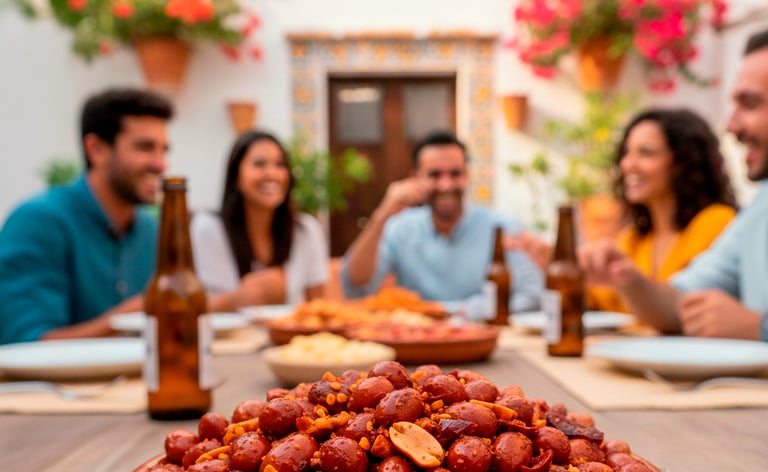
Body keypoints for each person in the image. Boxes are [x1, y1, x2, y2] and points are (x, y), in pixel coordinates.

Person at [579, 29, 768, 341]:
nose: (730, 125)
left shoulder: (715, 221)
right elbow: (679, 305)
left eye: (749, 104)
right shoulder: (760, 209)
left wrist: (757, 328)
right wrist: (628, 279)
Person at [0, 87, 173, 345]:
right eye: (145, 147)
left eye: (163, 150)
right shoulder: (37, 222)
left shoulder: (151, 230)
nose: (161, 165)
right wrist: (127, 319)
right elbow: (25, 344)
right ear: (96, 149)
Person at [340, 130, 543, 316]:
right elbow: (357, 287)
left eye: (455, 174)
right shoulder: (399, 227)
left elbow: (532, 294)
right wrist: (381, 214)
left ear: (467, 176)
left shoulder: (501, 226)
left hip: (487, 342)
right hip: (417, 343)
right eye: (434, 175)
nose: (446, 185)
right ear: (416, 177)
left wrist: (456, 311)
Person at [587, 107, 738, 312]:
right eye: (626, 152)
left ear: (681, 162)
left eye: (646, 153)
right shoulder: (635, 238)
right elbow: (603, 298)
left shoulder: (716, 222)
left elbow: (681, 300)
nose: (628, 164)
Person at [190, 130, 328, 311]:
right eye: (259, 164)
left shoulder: (307, 230)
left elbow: (318, 306)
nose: (272, 174)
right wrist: (239, 298)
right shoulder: (207, 228)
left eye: (280, 164)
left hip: (289, 337)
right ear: (235, 176)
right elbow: (190, 308)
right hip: (227, 338)